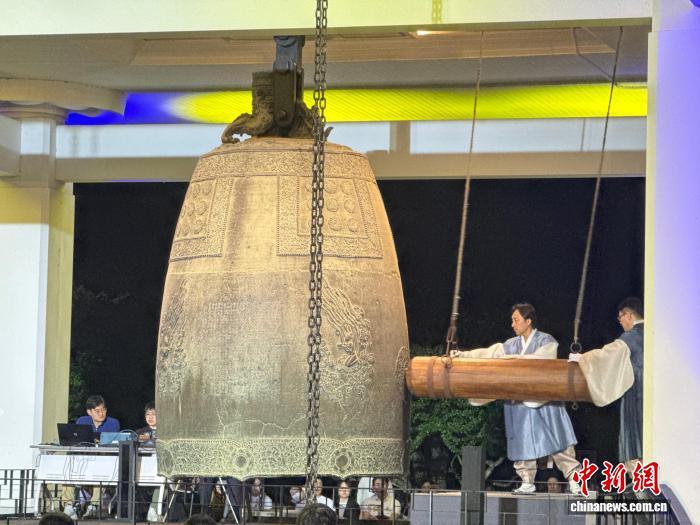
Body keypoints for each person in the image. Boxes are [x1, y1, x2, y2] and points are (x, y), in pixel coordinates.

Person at [451, 304, 582, 495]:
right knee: (522, 441)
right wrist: (463, 355)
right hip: (519, 402)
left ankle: (575, 479)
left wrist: (513, 360)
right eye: (512, 320)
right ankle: (527, 481)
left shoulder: (546, 341)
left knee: (558, 441)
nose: (512, 324)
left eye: (516, 320)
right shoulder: (511, 344)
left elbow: (542, 360)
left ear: (528, 321)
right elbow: (489, 353)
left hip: (543, 399)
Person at [569, 297, 644, 472]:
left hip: (636, 392)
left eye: (620, 317)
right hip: (656, 391)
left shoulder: (632, 337)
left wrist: (582, 358)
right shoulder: (655, 333)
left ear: (628, 315)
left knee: (634, 440)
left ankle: (640, 479)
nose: (620, 322)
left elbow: (606, 356)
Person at [61, 395, 121, 518]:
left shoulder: (113, 423)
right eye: (97, 411)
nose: (101, 413)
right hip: (83, 461)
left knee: (100, 469)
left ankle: (94, 505)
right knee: (69, 463)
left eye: (103, 410)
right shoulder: (82, 421)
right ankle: (68, 505)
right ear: (89, 412)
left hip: (103, 462)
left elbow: (112, 443)